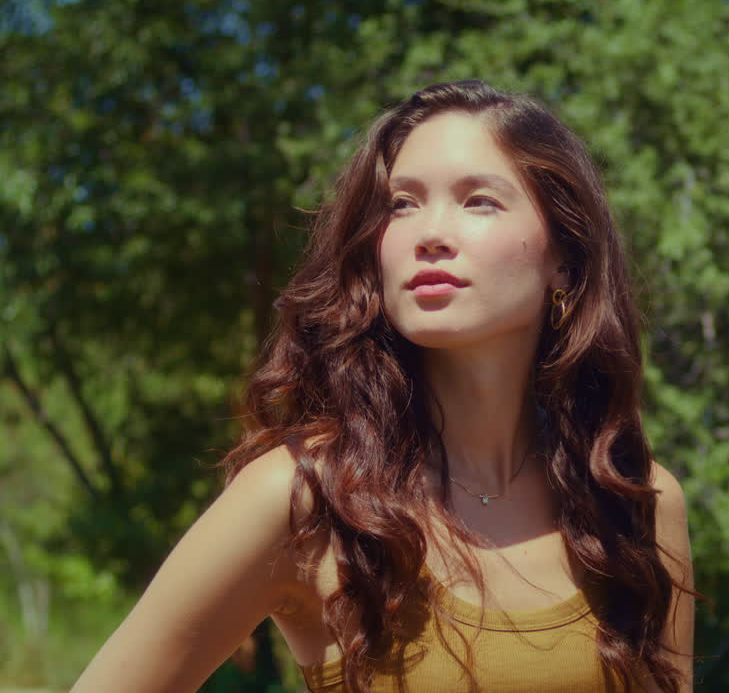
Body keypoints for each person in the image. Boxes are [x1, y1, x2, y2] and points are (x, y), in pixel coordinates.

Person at [70, 80, 695, 693]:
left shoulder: (637, 501)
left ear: (563, 254)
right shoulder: (305, 497)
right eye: (402, 203)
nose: (429, 233)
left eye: (479, 200)